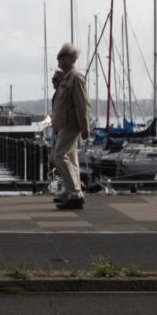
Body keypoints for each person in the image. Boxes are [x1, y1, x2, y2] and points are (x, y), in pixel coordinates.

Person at [49, 43, 89, 210]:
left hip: (71, 124)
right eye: (58, 56)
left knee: (58, 155)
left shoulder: (76, 77)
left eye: (62, 56)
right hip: (64, 124)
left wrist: (85, 127)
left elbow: (82, 105)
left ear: (72, 58)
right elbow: (60, 104)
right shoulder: (66, 77)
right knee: (71, 159)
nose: (58, 59)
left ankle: (76, 195)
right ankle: (71, 191)